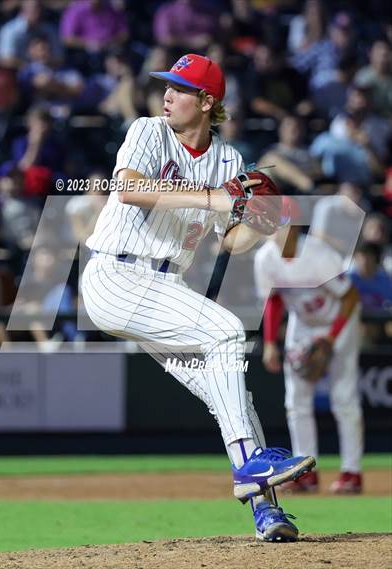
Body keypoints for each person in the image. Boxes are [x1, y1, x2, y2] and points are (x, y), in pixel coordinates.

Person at [81, 53, 316, 542]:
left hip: (165, 287)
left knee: (231, 397)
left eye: (180, 88)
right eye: (167, 85)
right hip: (116, 275)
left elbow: (229, 241)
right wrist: (214, 197)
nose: (167, 94)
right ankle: (250, 470)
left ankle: (265, 513)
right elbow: (128, 189)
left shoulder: (228, 159)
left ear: (207, 101)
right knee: (227, 330)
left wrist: (264, 221)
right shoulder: (149, 130)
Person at [254, 212, 364, 494]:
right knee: (296, 402)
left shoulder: (317, 253)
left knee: (344, 399)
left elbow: (350, 297)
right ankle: (305, 473)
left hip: (338, 320)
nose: (274, 231)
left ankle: (351, 473)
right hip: (302, 324)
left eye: (280, 225)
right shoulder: (265, 258)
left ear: (292, 228)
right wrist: (269, 343)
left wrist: (331, 337)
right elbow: (274, 300)